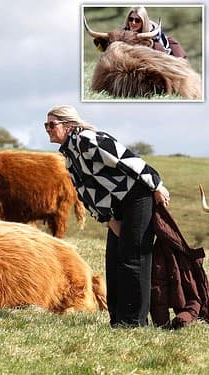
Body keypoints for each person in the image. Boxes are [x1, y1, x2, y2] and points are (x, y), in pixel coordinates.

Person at [45, 105, 170, 328]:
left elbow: (128, 159)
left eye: (52, 124)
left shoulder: (87, 140)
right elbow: (85, 193)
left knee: (134, 257)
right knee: (114, 258)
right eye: (46, 125)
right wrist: (108, 220)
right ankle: (118, 320)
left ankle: (134, 322)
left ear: (68, 125)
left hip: (137, 196)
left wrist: (157, 184)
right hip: (117, 208)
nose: (48, 129)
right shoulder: (69, 155)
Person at [123, 6, 187, 58]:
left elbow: (163, 58)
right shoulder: (123, 34)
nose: (133, 23)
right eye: (131, 19)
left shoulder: (155, 39)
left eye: (137, 20)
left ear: (143, 22)